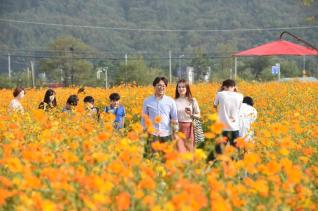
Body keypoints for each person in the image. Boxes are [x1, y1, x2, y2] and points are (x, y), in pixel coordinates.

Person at [142, 76, 178, 156]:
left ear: (166, 87)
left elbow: (175, 118)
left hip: (167, 134)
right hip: (152, 134)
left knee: (167, 157)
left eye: (163, 86)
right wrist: (143, 132)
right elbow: (144, 118)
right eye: (159, 85)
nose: (161, 87)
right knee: (153, 158)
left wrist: (175, 133)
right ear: (154, 86)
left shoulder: (170, 101)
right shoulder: (147, 101)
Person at [213, 79, 243, 155]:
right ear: (234, 87)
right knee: (235, 152)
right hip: (235, 127)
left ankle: (217, 165)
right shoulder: (240, 96)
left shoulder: (220, 94)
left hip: (222, 127)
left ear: (223, 87)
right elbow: (238, 108)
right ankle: (235, 166)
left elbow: (214, 106)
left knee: (218, 151)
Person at [175, 79, 200, 152]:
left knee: (189, 149)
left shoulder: (192, 100)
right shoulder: (174, 101)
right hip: (178, 128)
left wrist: (191, 114)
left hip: (189, 127)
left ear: (187, 88)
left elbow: (198, 115)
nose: (181, 89)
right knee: (179, 150)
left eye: (183, 87)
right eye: (179, 87)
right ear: (177, 89)